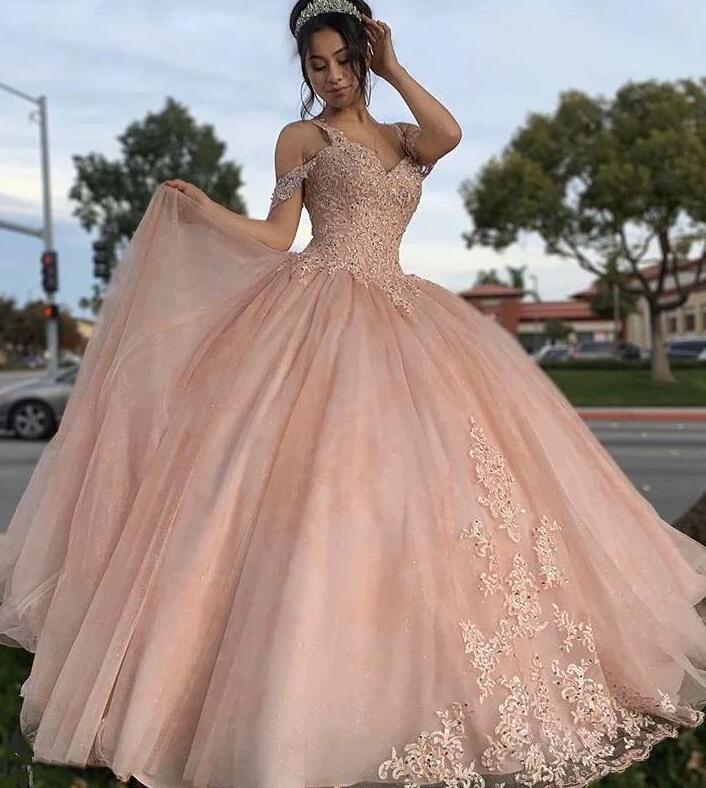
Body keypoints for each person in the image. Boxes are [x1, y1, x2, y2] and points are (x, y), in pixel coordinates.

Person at [2, 1, 706, 786]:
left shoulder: (405, 137)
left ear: (363, 58)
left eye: (344, 60)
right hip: (319, 309)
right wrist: (202, 209)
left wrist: (395, 66)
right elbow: (277, 238)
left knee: (442, 490)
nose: (333, 76)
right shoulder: (301, 138)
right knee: (308, 489)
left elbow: (448, 134)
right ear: (303, 69)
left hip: (407, 314)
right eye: (318, 64)